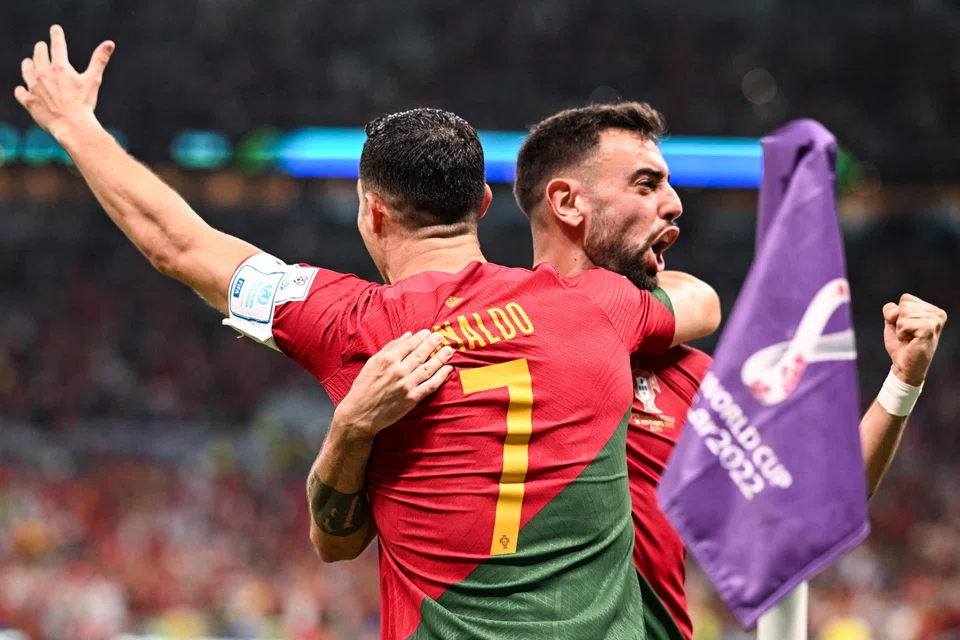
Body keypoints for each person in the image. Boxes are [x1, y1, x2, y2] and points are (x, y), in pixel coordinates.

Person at [14, 27, 722, 640]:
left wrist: (76, 126)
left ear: (372, 215)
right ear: (480, 204)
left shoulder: (351, 324)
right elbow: (695, 302)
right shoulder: (598, 305)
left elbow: (179, 244)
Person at [512, 102, 949, 639]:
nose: (673, 205)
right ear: (567, 202)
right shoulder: (480, 337)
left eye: (667, 187)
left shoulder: (680, 371)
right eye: (645, 185)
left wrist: (903, 380)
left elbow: (812, 500)